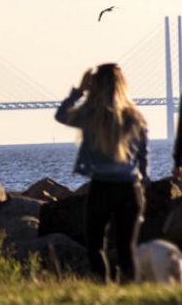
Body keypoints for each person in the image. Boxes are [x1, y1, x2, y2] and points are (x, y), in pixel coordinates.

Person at [55, 64, 148, 283]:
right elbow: (143, 156)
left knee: (95, 244)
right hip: (130, 187)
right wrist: (144, 182)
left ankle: (103, 288)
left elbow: (61, 115)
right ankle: (131, 293)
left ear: (95, 87)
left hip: (102, 187)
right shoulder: (135, 116)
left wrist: (78, 91)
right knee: (127, 248)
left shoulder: (90, 115)